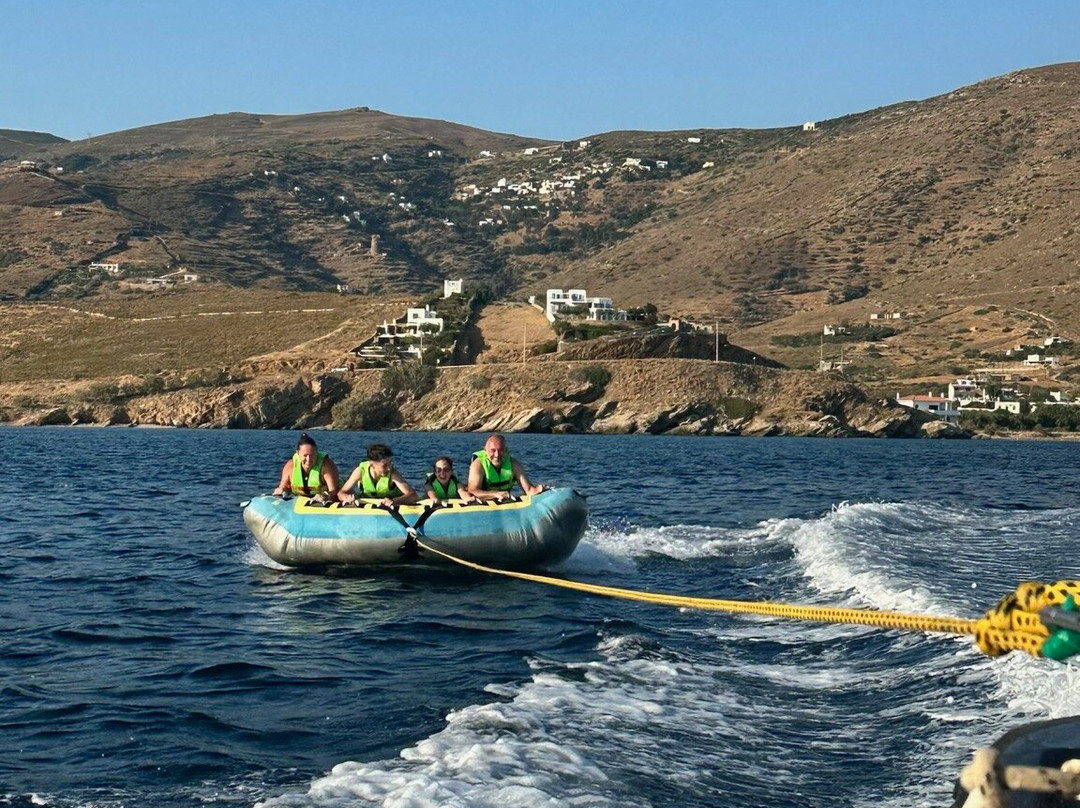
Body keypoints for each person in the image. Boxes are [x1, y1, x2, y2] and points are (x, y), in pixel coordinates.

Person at [337, 443, 418, 508]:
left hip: (391, 506)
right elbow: (341, 493)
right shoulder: (360, 471)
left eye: (390, 463)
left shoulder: (393, 473)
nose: (389, 468)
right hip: (368, 506)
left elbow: (413, 495)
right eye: (384, 465)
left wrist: (395, 501)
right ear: (372, 465)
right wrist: (347, 498)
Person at [467, 433, 544, 502]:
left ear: (506, 451)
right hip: (483, 502)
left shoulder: (514, 464)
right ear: (485, 451)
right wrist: (495, 494)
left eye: (500, 450)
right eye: (492, 450)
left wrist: (539, 489)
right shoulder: (478, 465)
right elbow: (473, 491)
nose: (497, 455)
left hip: (504, 501)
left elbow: (529, 490)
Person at [273, 432, 340, 501]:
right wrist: (281, 491)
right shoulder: (290, 466)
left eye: (312, 455)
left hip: (327, 500)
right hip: (301, 501)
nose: (308, 459)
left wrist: (325, 496)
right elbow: (283, 487)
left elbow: (334, 491)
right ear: (298, 453)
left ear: (316, 452)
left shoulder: (326, 465)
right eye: (305, 455)